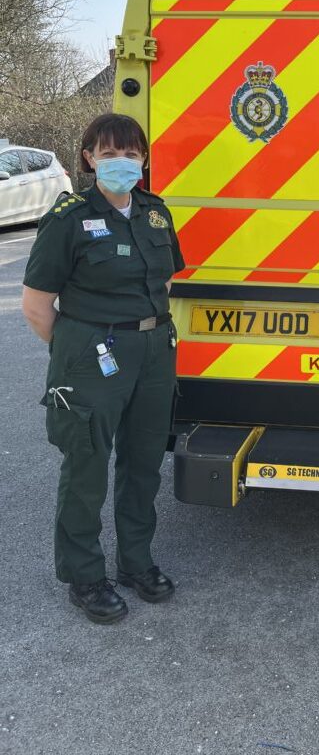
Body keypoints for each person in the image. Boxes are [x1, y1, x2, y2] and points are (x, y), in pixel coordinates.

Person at [22, 114, 185, 624]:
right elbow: (35, 303)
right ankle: (85, 576)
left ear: (144, 159)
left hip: (154, 348)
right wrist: (76, 348)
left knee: (142, 463)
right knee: (86, 464)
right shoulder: (70, 218)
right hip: (93, 351)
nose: (121, 162)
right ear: (89, 158)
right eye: (109, 153)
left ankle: (136, 563)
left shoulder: (156, 214)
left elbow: (166, 285)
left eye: (130, 153)